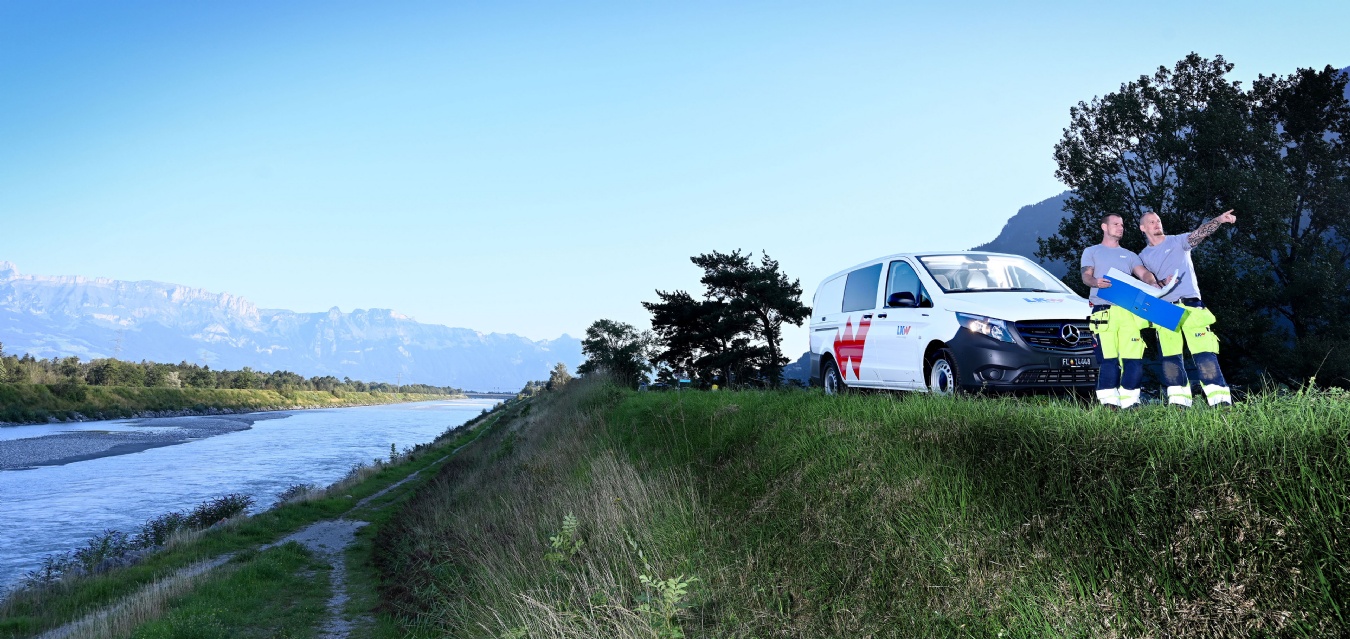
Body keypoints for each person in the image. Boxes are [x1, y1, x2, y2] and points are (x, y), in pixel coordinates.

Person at [1138, 209, 1237, 408]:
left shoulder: (1177, 241)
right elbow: (1148, 283)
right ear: (1143, 228)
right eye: (1152, 222)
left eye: (1158, 220)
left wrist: (1219, 220)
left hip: (1191, 305)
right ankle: (1179, 402)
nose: (1157, 224)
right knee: (1170, 359)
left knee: (1204, 354)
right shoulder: (1142, 256)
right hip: (1165, 309)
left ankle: (1220, 401)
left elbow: (1198, 234)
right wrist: (1160, 283)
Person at [1081, 214, 1165, 409]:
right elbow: (1086, 276)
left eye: (1122, 225)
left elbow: (1143, 273)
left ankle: (1131, 401)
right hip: (1103, 311)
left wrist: (1153, 283)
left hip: (1128, 311)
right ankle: (1109, 402)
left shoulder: (1129, 255)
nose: (1120, 228)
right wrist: (1095, 282)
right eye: (1116, 224)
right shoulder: (1092, 251)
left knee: (1133, 358)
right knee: (1108, 359)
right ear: (1104, 227)